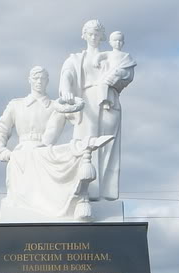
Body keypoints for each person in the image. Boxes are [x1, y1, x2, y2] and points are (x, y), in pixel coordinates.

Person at [0, 66, 111, 218]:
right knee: (24, 159)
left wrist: (85, 98)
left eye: (42, 78)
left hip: (47, 151)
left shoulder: (57, 106)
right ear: (29, 80)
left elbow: (81, 119)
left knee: (76, 152)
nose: (39, 82)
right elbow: (2, 128)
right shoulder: (16, 105)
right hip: (23, 153)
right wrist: (1, 150)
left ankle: (78, 201)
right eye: (35, 78)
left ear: (47, 81)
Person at [59, 20, 135, 201]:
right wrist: (66, 89)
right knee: (85, 145)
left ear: (102, 37)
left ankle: (105, 193)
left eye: (97, 34)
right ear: (84, 35)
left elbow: (128, 74)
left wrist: (117, 77)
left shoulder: (112, 57)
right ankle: (87, 190)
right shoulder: (76, 59)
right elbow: (67, 74)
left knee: (107, 145)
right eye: (90, 34)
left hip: (109, 101)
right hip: (86, 105)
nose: (93, 37)